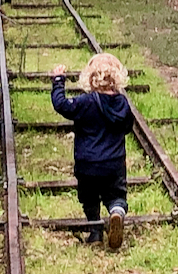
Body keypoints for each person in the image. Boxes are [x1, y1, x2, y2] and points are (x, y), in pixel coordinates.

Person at [50, 53, 134, 250]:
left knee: (89, 197)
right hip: (113, 164)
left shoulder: (85, 102)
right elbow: (128, 127)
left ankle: (95, 231)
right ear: (117, 78)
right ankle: (117, 213)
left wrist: (58, 81)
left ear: (90, 78)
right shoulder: (122, 104)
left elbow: (62, 105)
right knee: (116, 194)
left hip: (87, 164)